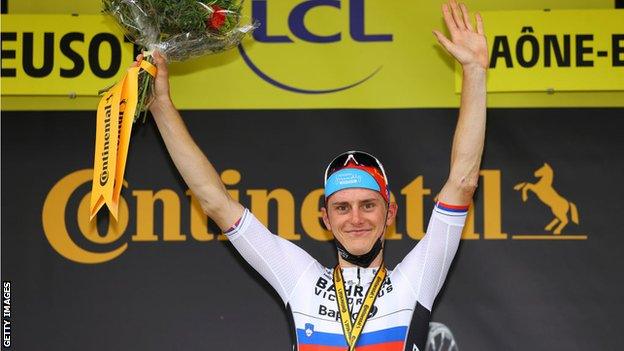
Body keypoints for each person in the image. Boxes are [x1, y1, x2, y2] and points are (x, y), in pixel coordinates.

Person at [140, 1, 487, 349]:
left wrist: (473, 71)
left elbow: (462, 183)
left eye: (368, 205)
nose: (355, 218)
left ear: (390, 212)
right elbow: (215, 202)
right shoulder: (301, 280)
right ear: (325, 217)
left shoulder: (414, 282)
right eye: (342, 207)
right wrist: (161, 106)